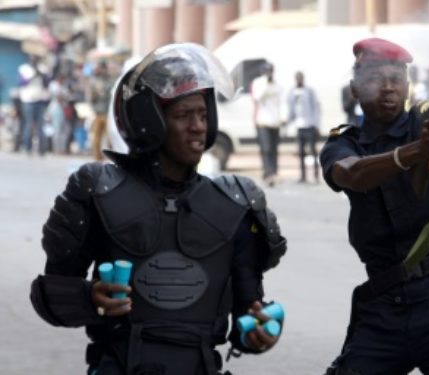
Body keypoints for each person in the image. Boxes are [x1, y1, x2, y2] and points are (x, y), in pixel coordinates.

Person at [29, 43, 288, 374]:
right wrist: (89, 297)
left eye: (203, 115)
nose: (198, 127)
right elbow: (51, 296)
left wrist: (256, 332)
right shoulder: (97, 189)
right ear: (148, 122)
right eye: (183, 115)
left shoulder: (237, 201)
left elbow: (245, 313)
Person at [320, 37, 429, 375]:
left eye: (396, 78)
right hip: (384, 306)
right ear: (355, 88)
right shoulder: (344, 142)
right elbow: (353, 174)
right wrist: (413, 153)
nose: (387, 87)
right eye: (375, 78)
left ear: (409, 86)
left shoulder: (423, 121)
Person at [252, 63, 284, 186]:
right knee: (266, 148)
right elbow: (257, 97)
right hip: (263, 121)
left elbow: (280, 101)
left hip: (275, 122)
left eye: (271, 71)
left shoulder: (277, 84)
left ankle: (274, 172)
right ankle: (267, 173)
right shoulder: (258, 83)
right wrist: (266, 82)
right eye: (267, 71)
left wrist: (282, 117)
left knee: (274, 149)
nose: (269, 73)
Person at [287, 71, 321, 183]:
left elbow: (316, 108)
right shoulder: (292, 92)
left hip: (309, 125)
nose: (299, 80)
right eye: (297, 78)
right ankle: (303, 176)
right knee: (301, 152)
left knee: (313, 151)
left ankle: (316, 175)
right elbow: (291, 109)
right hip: (299, 126)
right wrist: (287, 121)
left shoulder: (309, 91)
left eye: (300, 78)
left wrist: (316, 124)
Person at [18, 55, 51, 156]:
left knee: (41, 126)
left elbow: (47, 83)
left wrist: (41, 74)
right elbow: (22, 82)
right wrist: (33, 75)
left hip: (40, 100)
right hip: (28, 100)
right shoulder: (23, 69)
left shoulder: (42, 69)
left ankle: (42, 149)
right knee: (28, 125)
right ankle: (27, 148)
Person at [88, 60, 115, 161]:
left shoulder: (111, 80)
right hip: (97, 113)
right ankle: (97, 158)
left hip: (109, 113)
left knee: (110, 138)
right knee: (96, 138)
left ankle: (113, 158)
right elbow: (91, 97)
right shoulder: (94, 81)